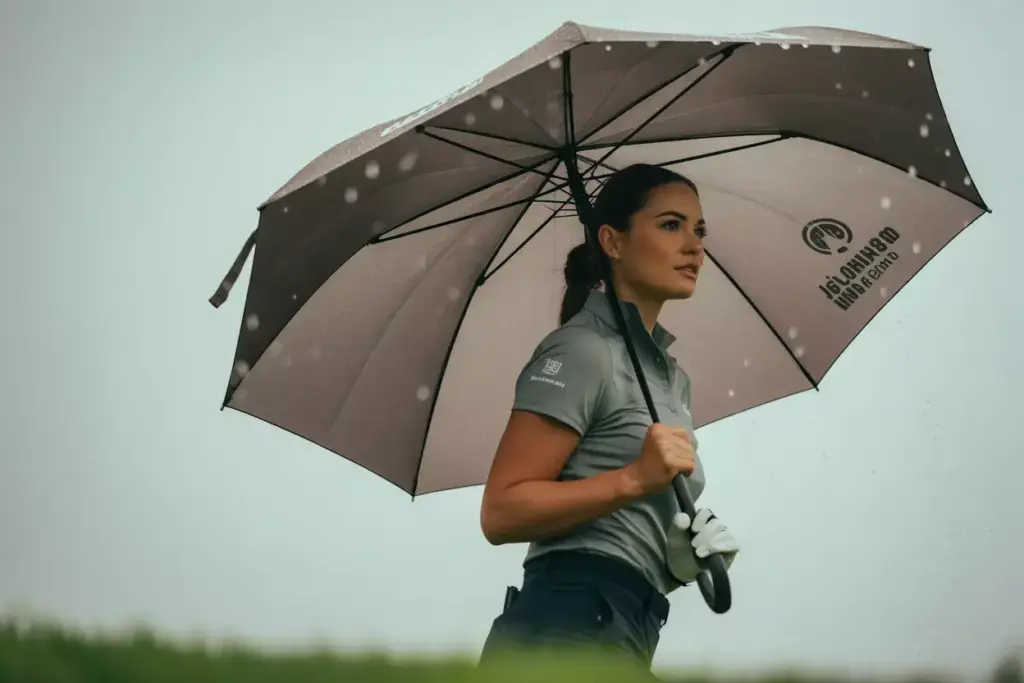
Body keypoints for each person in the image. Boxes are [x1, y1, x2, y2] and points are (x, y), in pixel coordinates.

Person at [477, 164, 741, 671]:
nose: (694, 246)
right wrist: (634, 478)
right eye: (671, 225)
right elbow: (501, 511)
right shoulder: (583, 350)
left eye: (699, 229)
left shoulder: (671, 379)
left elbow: (621, 529)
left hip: (628, 626)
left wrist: (675, 563)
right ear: (612, 243)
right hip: (565, 623)